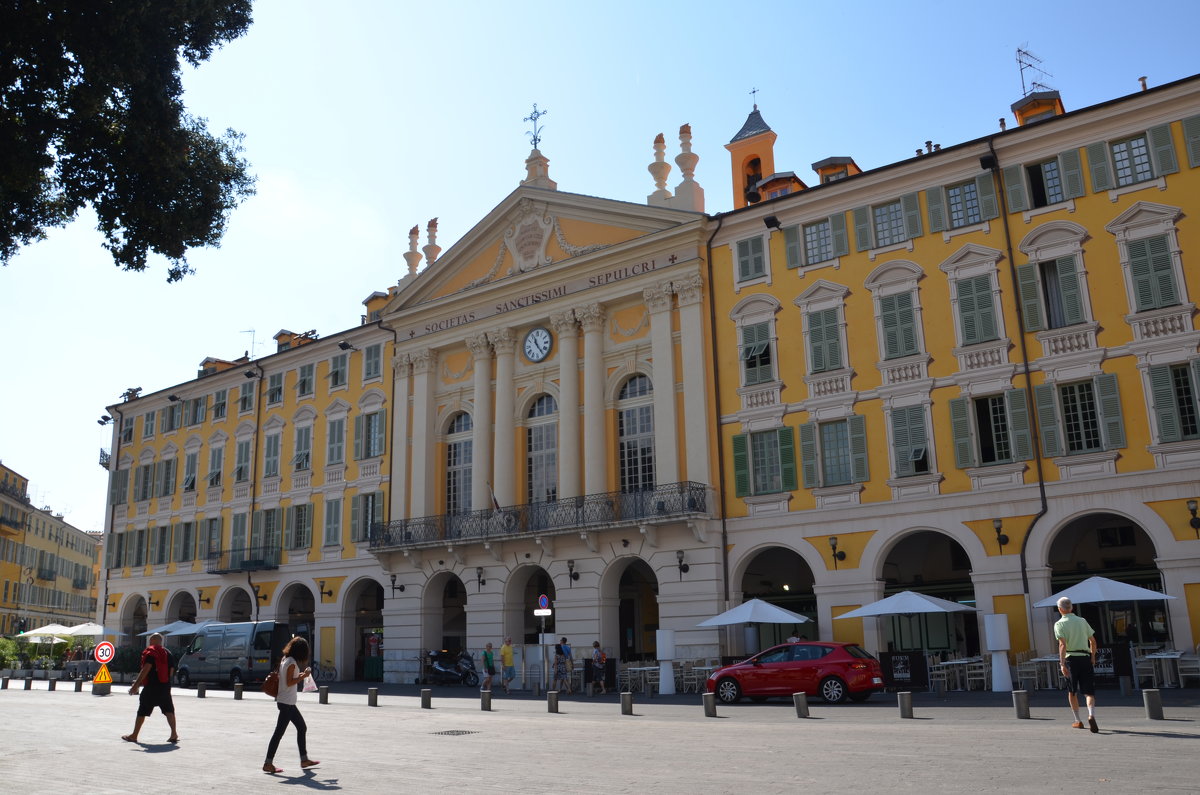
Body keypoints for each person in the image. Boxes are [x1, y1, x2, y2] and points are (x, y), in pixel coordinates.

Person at [263, 636, 320, 774]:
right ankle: (268, 763)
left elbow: (288, 679)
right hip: (286, 703)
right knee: (278, 733)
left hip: (287, 702)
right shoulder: (292, 662)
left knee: (302, 727)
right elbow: (289, 682)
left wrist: (300, 675)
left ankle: (304, 759)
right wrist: (304, 675)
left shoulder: (286, 659)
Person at [1055, 596, 1099, 733]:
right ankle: (1091, 714)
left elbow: (1062, 645)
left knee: (1072, 691)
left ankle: (1078, 720)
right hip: (1085, 658)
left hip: (1071, 659)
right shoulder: (1082, 621)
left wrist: (1062, 663)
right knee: (1089, 692)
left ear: (1060, 609)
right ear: (1072, 607)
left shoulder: (1059, 624)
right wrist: (1092, 657)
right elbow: (1093, 641)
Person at [123, 633, 178, 744]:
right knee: (169, 710)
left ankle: (134, 735)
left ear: (153, 640)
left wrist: (136, 685)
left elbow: (146, 669)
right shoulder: (168, 653)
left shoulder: (151, 652)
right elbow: (171, 671)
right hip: (165, 686)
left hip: (151, 687)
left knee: (142, 710)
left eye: (150, 640)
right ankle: (174, 734)